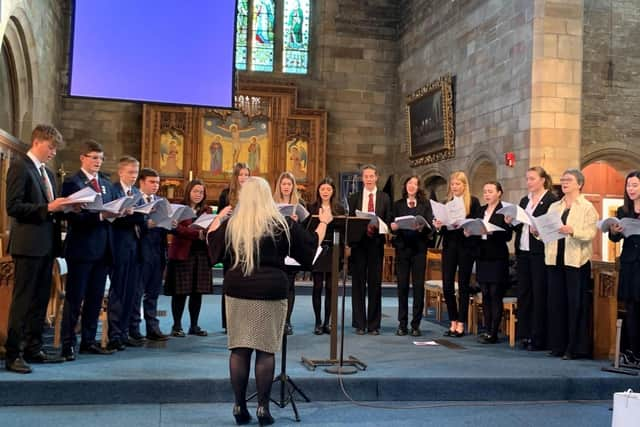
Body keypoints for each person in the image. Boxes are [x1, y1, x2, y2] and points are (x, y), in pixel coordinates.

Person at [207, 176, 332, 425]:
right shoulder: (281, 223)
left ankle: (239, 406)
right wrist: (324, 224)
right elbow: (309, 249)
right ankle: (263, 408)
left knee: (239, 350)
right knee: (266, 350)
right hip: (270, 289)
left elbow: (212, 246)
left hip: (238, 289)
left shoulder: (234, 223)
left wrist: (218, 219)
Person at [4, 124, 68, 373]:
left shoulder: (48, 173)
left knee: (41, 300)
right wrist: (49, 209)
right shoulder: (21, 167)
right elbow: (13, 207)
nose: (53, 152)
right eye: (51, 147)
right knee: (23, 301)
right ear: (37, 142)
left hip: (47, 245)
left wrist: (65, 208)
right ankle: (13, 354)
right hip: (28, 245)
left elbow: (50, 208)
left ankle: (33, 347)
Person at [60, 140, 117, 361]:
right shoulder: (72, 181)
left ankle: (88, 341)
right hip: (82, 248)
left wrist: (119, 212)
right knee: (75, 298)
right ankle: (68, 344)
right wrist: (100, 216)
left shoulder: (105, 183)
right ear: (82, 157)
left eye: (100, 158)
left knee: (94, 298)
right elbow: (70, 215)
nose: (97, 162)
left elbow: (110, 207)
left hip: (103, 248)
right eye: (94, 157)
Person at [545, 169, 598, 360]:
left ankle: (574, 348)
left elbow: (591, 234)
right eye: (563, 179)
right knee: (556, 303)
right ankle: (558, 345)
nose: (564, 182)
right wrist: (538, 232)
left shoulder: (586, 207)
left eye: (569, 180)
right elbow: (548, 232)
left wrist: (573, 230)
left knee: (574, 305)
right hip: (554, 259)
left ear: (579, 184)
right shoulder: (555, 206)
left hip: (575, 262)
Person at [506, 166, 557, 351]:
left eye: (532, 179)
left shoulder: (551, 200)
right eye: (527, 179)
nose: (528, 182)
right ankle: (525, 334)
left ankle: (538, 336)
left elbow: (552, 227)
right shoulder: (524, 200)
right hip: (524, 251)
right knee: (524, 294)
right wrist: (511, 222)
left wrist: (539, 230)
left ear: (542, 180)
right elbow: (520, 225)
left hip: (540, 253)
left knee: (538, 294)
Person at [433, 171, 481, 337]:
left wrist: (469, 229)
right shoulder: (446, 203)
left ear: (464, 185)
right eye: (452, 184)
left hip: (466, 247)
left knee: (463, 285)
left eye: (457, 184)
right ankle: (452, 320)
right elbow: (441, 230)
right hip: (449, 247)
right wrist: (439, 225)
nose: (454, 187)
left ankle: (461, 322)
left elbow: (477, 225)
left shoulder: (473, 202)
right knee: (447, 284)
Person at [165, 179, 213, 337]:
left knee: (197, 292)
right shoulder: (179, 208)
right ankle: (176, 326)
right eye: (195, 191)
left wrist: (205, 232)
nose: (199, 194)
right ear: (188, 192)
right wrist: (195, 233)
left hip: (201, 254)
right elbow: (174, 228)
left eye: (201, 192)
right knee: (180, 292)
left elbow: (209, 230)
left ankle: (194, 325)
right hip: (182, 255)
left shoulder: (206, 210)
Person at [348, 164, 392, 335]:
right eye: (365, 176)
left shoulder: (384, 198)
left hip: (376, 244)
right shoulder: (354, 197)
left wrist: (378, 223)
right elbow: (350, 220)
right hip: (359, 245)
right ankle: (359, 323)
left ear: (376, 177)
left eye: (371, 176)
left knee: (375, 284)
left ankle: (374, 324)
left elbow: (389, 219)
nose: (368, 179)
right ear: (362, 179)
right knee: (358, 284)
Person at [108, 156, 146, 351]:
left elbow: (141, 219)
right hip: (118, 246)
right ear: (121, 172)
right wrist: (127, 214)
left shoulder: (138, 192)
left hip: (134, 247)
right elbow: (111, 219)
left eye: (136, 173)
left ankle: (124, 333)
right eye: (130, 172)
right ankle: (114, 334)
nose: (133, 176)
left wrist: (143, 214)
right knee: (118, 293)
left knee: (131, 294)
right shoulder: (112, 191)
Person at [389, 175, 434, 337]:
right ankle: (402, 324)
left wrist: (422, 227)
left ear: (419, 187)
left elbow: (431, 228)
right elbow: (391, 224)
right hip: (402, 249)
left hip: (419, 250)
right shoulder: (398, 205)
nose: (412, 186)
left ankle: (416, 324)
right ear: (405, 186)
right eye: (409, 183)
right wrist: (393, 226)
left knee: (418, 287)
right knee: (402, 287)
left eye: (415, 184)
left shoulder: (425, 205)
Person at [128, 168, 170, 342]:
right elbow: (131, 225)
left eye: (158, 182)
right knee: (137, 292)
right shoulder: (134, 201)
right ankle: (134, 328)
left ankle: (153, 327)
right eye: (152, 182)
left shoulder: (161, 202)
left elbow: (167, 226)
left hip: (158, 252)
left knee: (153, 292)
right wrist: (148, 225)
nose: (155, 186)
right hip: (140, 252)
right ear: (142, 182)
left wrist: (171, 222)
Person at [470, 181, 512, 344]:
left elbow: (507, 236)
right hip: (482, 256)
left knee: (495, 295)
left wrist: (506, 226)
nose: (486, 194)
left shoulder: (504, 211)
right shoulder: (480, 210)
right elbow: (476, 231)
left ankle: (494, 332)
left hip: (497, 257)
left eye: (490, 191)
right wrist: (470, 232)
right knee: (485, 294)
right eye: (485, 191)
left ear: (499, 193)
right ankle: (487, 330)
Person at [307, 177, 346, 334]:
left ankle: (327, 322)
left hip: (334, 250)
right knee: (317, 287)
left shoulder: (339, 209)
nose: (325, 192)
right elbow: (308, 229)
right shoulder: (311, 207)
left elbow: (343, 230)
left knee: (331, 288)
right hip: (317, 250)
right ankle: (317, 322)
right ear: (318, 191)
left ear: (333, 191)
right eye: (322, 189)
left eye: (328, 189)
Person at [609, 171, 640, 364]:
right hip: (629, 263)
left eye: (635, 185)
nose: (631, 189)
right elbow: (614, 238)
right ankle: (632, 351)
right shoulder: (623, 211)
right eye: (629, 185)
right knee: (631, 307)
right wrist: (614, 231)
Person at [218, 162, 251, 332]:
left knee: (246, 283)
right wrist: (225, 215)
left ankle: (243, 320)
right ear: (236, 176)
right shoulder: (226, 194)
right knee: (229, 282)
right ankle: (228, 322)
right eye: (241, 174)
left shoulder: (253, 194)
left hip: (248, 243)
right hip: (230, 243)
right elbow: (220, 219)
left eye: (246, 174)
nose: (244, 178)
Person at [273, 171, 305, 335]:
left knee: (290, 286)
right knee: (276, 285)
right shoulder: (271, 203)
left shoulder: (299, 204)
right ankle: (276, 321)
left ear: (293, 187)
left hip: (292, 248)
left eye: (289, 184)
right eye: (283, 184)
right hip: (276, 248)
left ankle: (287, 321)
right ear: (279, 186)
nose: (286, 187)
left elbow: (304, 230)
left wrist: (296, 221)